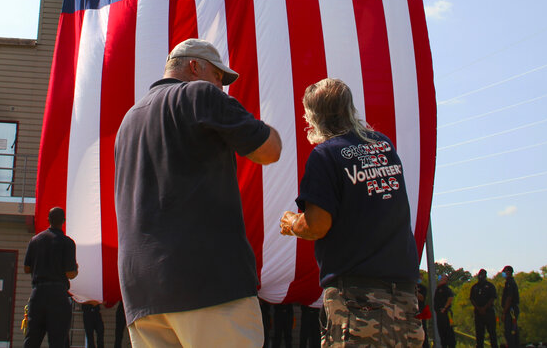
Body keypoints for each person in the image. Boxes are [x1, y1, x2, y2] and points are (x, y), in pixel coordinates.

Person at [114, 38, 282, 347]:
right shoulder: (199, 94)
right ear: (195, 67)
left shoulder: (129, 119)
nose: (221, 87)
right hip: (208, 281)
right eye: (219, 77)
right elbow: (269, 151)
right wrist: (268, 130)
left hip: (142, 292)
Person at [280, 78, 423, 347]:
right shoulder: (383, 146)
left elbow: (317, 225)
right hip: (403, 294)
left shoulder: (325, 155)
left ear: (312, 116)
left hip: (358, 297)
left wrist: (292, 223)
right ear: (350, 109)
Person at [23, 206, 77, 348]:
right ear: (64, 221)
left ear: (48, 219)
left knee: (32, 338)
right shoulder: (68, 243)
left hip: (38, 293)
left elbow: (26, 268)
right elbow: (70, 273)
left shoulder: (35, 240)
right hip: (58, 294)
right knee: (58, 340)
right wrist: (76, 269)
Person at [470, 269, 498, 348]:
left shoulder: (490, 286)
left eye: (482, 275)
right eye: (479, 275)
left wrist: (484, 308)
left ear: (485, 276)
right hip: (478, 313)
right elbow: (472, 299)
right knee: (479, 334)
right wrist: (478, 309)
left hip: (488, 312)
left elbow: (492, 298)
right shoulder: (475, 287)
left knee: (492, 333)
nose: (480, 276)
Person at [434, 273, 457, 348]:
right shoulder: (438, 288)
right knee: (441, 332)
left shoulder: (446, 289)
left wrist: (444, 308)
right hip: (439, 315)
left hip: (446, 314)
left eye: (441, 277)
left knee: (449, 332)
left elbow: (450, 298)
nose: (440, 278)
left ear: (445, 279)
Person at [501, 266, 520, 348]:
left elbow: (509, 298)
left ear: (508, 272)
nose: (503, 273)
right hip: (512, 309)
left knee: (510, 331)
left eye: (504, 271)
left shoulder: (509, 283)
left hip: (511, 310)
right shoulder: (510, 282)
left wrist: (504, 312)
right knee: (513, 329)